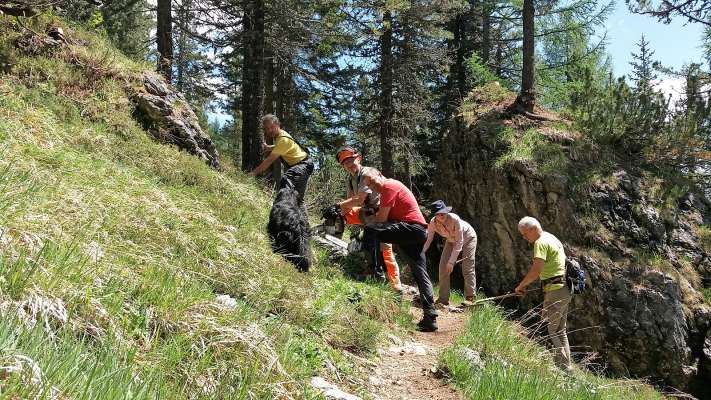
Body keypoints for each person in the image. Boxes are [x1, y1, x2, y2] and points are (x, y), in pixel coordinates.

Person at [359, 168, 438, 332]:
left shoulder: (389, 185)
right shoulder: (390, 189)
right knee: (420, 272)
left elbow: (381, 221)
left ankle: (374, 270)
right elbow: (386, 216)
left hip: (411, 228)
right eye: (370, 186)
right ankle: (430, 317)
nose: (374, 187)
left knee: (371, 231)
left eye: (373, 182)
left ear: (380, 174)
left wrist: (373, 216)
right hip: (416, 231)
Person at [335, 147, 402, 291]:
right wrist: (338, 210)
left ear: (359, 158)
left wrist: (339, 205)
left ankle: (396, 286)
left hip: (382, 214)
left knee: (385, 248)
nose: (349, 164)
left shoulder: (367, 173)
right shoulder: (351, 178)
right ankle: (342, 240)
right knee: (340, 215)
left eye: (351, 160)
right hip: (368, 214)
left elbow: (359, 199)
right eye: (345, 163)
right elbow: (351, 201)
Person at [515, 216, 572, 370]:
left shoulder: (540, 242)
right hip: (564, 289)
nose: (524, 237)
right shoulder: (552, 238)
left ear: (533, 229)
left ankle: (563, 368)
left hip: (554, 290)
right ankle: (567, 366)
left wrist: (521, 286)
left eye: (525, 233)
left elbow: (536, 270)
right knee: (560, 330)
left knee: (551, 330)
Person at [421, 200, 477, 305]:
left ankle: (470, 299)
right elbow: (429, 240)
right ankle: (443, 299)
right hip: (451, 241)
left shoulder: (455, 219)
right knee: (443, 267)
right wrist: (421, 252)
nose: (441, 215)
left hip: (468, 238)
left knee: (467, 267)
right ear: (435, 215)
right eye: (438, 213)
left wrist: (451, 262)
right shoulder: (433, 223)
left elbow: (460, 242)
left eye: (443, 212)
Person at [250, 114, 314, 205]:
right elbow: (280, 147)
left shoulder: (283, 140)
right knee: (298, 199)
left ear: (278, 125)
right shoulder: (280, 135)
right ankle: (302, 218)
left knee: (286, 179)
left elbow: (268, 161)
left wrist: (252, 174)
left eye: (272, 127)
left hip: (303, 165)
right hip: (305, 165)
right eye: (267, 128)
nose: (269, 130)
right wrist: (268, 147)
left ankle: (281, 206)